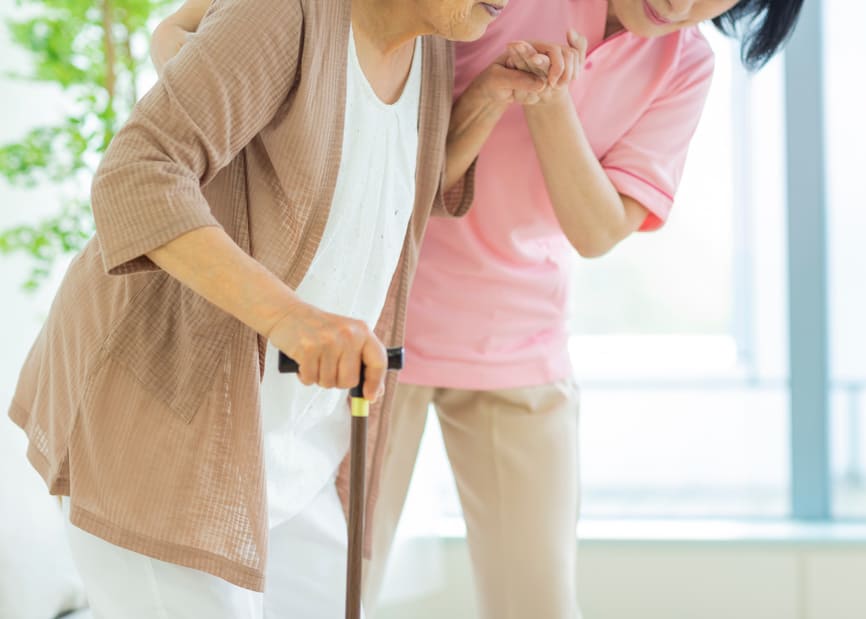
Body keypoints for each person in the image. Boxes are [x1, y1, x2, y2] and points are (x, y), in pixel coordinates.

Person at [153, 1, 806, 618]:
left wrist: (550, 107)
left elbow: (599, 229)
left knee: (540, 604)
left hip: (518, 345)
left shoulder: (684, 65)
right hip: (372, 329)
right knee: (332, 588)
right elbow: (196, 42)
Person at [6, 0, 547, 617]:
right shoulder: (284, 15)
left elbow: (397, 189)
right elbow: (138, 174)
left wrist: (486, 100)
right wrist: (292, 319)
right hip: (168, 423)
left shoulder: (430, 44)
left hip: (295, 442)